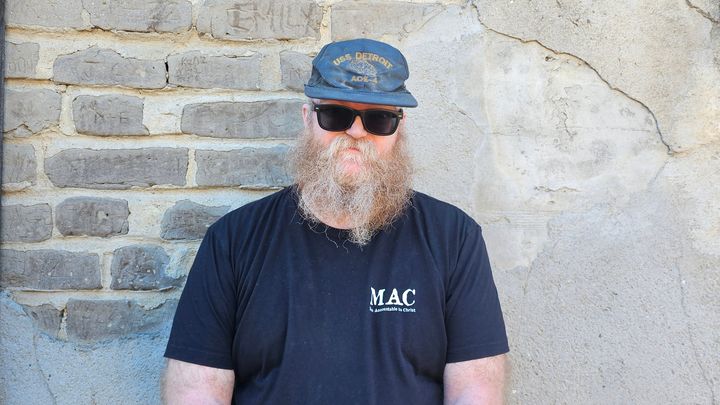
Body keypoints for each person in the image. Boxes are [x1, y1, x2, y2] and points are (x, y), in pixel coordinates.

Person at [162, 38, 509, 404]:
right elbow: (196, 390)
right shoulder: (232, 241)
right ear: (307, 117)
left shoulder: (454, 239)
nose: (357, 132)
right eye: (335, 115)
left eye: (379, 119)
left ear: (399, 127)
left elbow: (476, 390)